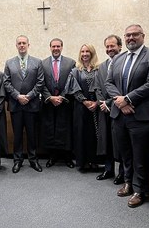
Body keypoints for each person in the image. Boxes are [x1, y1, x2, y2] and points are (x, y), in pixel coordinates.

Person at [105, 24, 149, 208]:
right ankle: (128, 182)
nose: (131, 38)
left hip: (141, 115)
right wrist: (120, 102)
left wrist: (128, 99)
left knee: (140, 154)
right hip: (120, 115)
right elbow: (108, 83)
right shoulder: (118, 58)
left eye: (134, 35)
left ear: (142, 36)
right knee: (125, 153)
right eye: (128, 35)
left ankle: (140, 190)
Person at [4, 35, 44, 173]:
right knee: (17, 135)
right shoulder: (9, 63)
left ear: (28, 45)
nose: (22, 45)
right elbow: (7, 82)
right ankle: (17, 160)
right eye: (19, 43)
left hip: (32, 104)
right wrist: (17, 96)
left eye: (24, 43)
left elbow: (40, 82)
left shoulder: (37, 62)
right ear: (16, 45)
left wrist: (29, 96)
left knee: (32, 134)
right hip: (16, 105)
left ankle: (33, 160)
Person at [65, 44, 102, 172]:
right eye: (82, 51)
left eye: (87, 51)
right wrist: (85, 101)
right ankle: (83, 161)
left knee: (94, 134)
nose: (85, 54)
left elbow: (104, 87)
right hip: (81, 107)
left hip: (96, 108)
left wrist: (96, 103)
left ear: (92, 53)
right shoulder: (76, 70)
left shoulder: (99, 70)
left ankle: (95, 161)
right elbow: (72, 88)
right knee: (81, 134)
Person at [41, 38, 76, 168]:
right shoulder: (43, 63)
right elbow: (41, 83)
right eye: (53, 46)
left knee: (64, 129)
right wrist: (50, 97)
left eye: (58, 46)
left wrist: (61, 97)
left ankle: (67, 157)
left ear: (62, 47)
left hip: (65, 102)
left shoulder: (70, 63)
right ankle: (52, 156)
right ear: (50, 47)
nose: (56, 48)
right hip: (49, 103)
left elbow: (70, 82)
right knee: (51, 129)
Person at [95, 35, 124, 185]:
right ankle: (108, 169)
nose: (109, 49)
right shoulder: (102, 66)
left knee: (119, 142)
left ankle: (123, 173)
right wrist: (102, 103)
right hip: (103, 110)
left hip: (119, 109)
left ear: (120, 46)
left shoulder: (125, 63)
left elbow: (123, 89)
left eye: (112, 46)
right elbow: (98, 87)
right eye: (107, 46)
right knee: (106, 140)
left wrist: (109, 103)